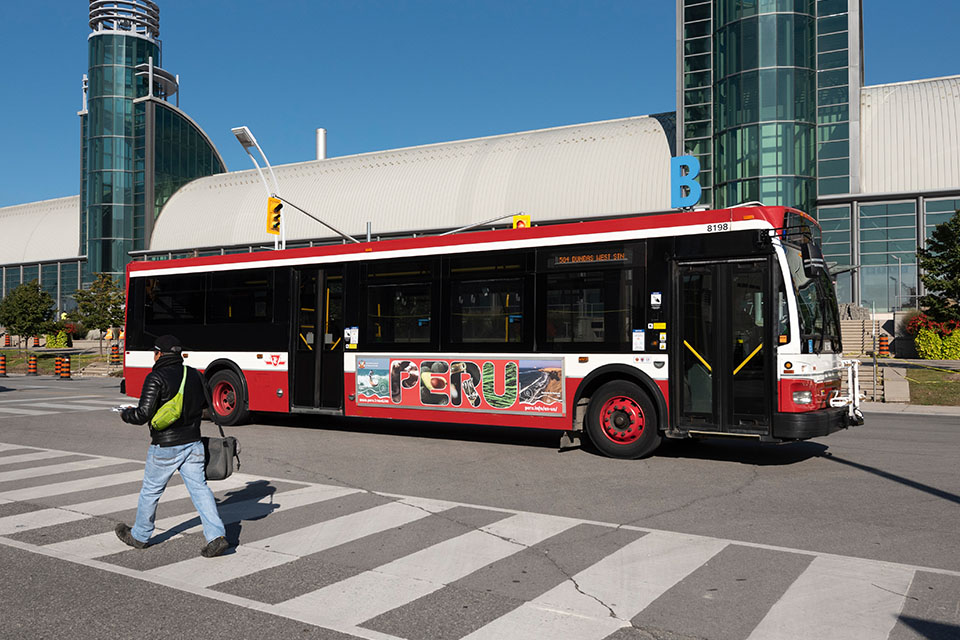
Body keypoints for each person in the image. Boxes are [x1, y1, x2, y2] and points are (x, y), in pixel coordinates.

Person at [114, 334, 229, 558]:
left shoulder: (156, 377)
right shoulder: (194, 374)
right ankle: (216, 537)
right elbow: (206, 406)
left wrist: (125, 413)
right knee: (200, 490)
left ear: (158, 353)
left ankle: (140, 536)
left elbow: (142, 414)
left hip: (165, 446)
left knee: (151, 491)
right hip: (193, 443)